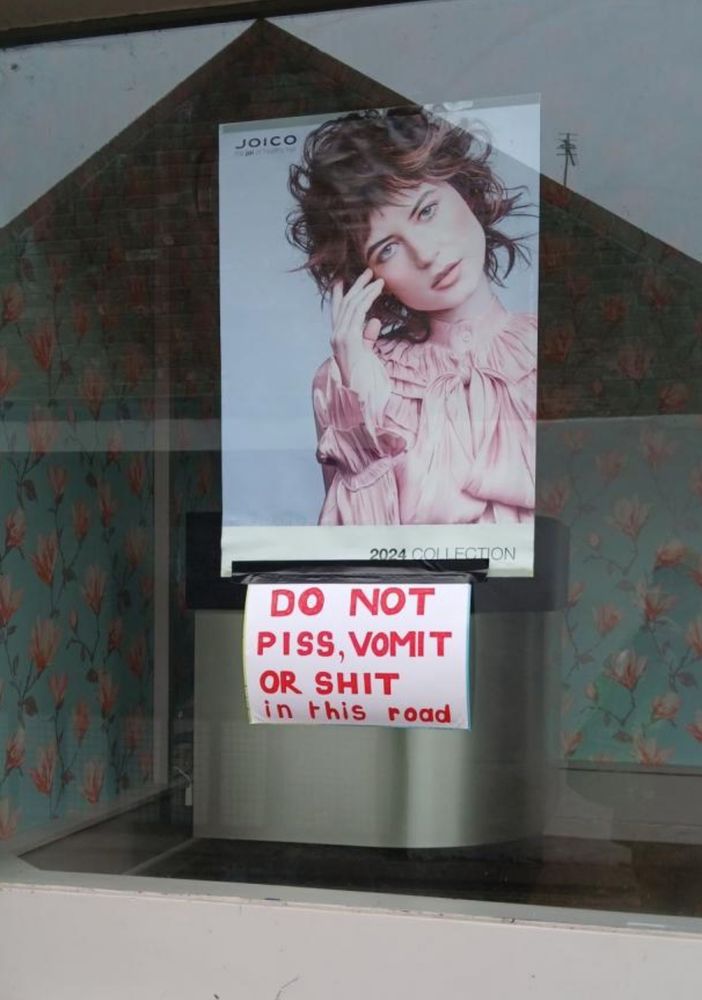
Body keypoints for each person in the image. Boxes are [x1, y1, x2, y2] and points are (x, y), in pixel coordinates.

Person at [287, 106, 536, 527]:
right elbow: (357, 559)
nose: (425, 254)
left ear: (466, 192)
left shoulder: (546, 350)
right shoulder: (343, 380)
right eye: (387, 249)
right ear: (368, 277)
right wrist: (365, 402)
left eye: (426, 211)